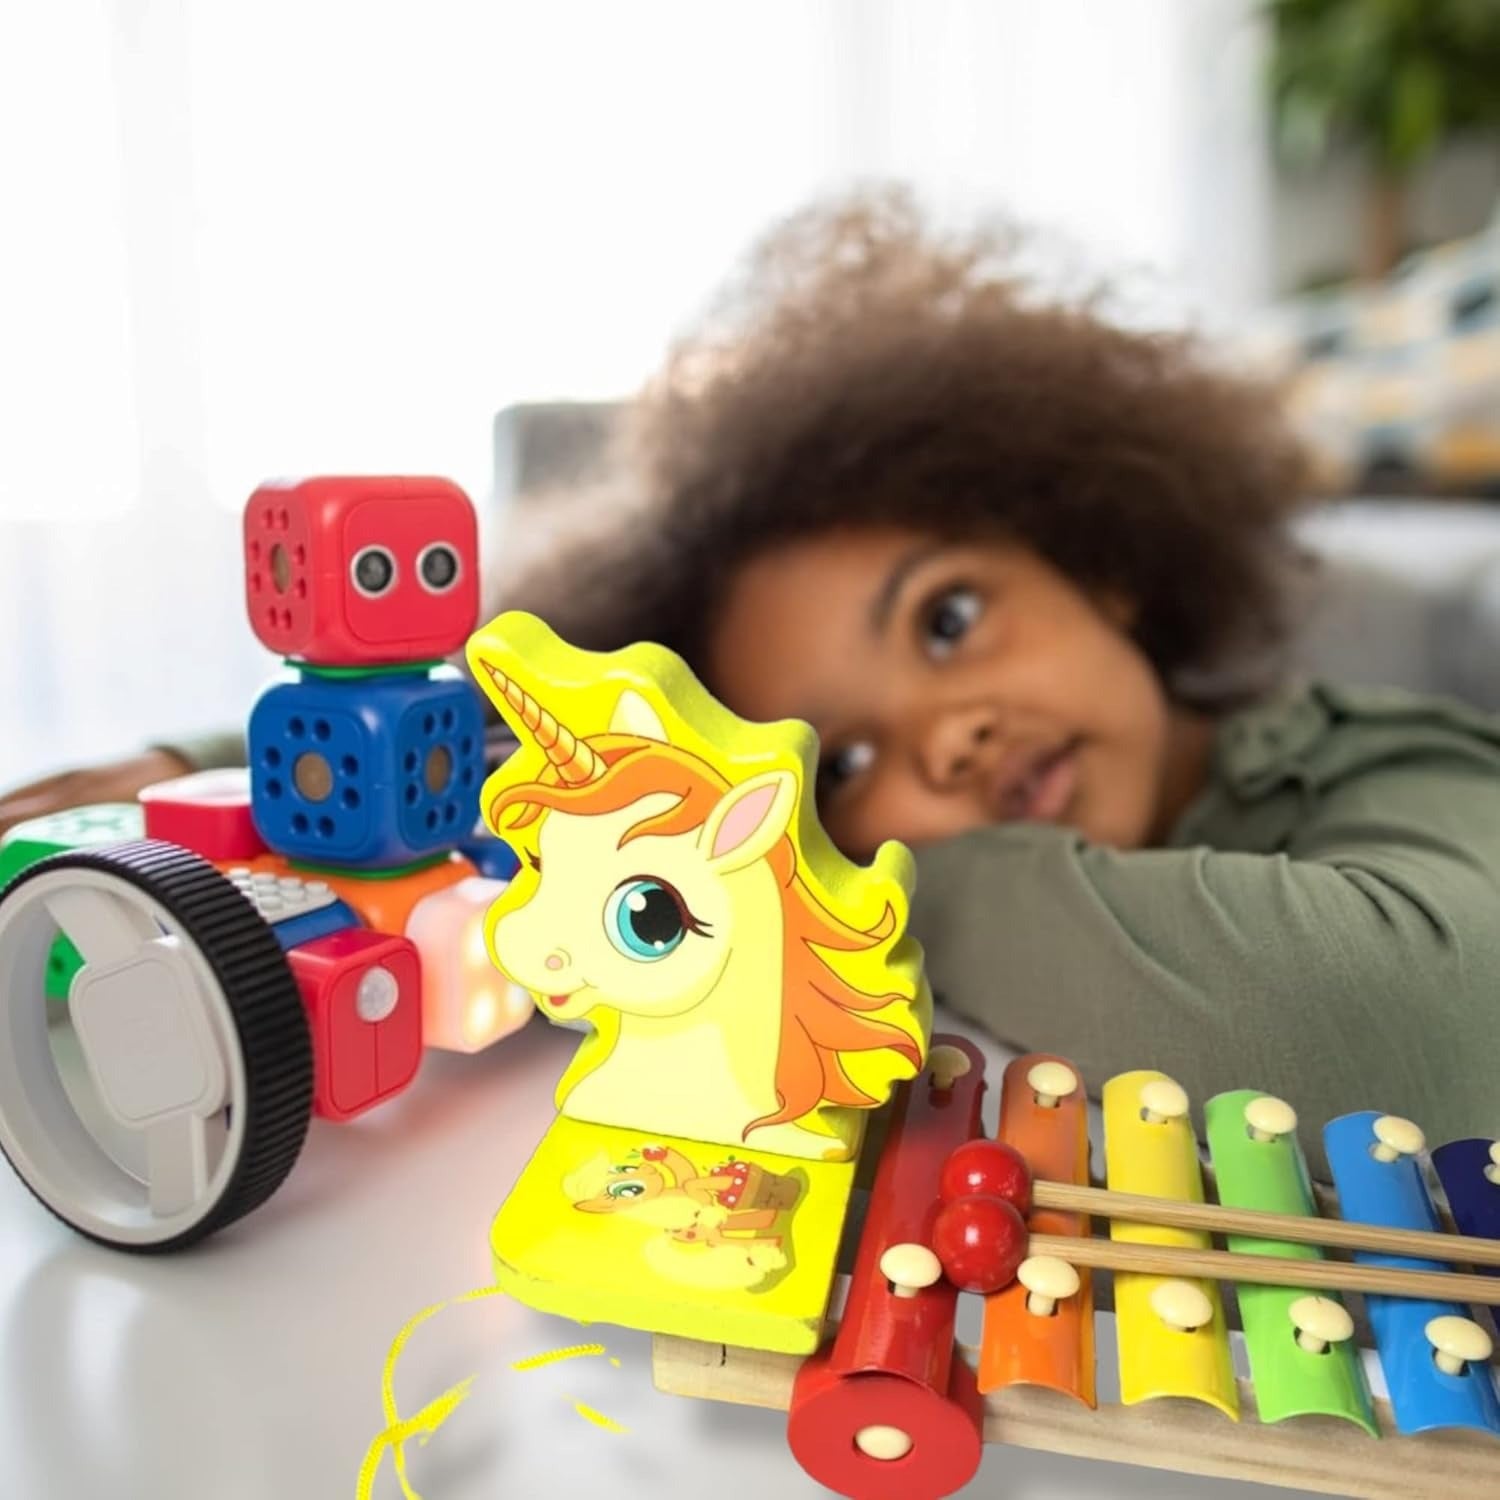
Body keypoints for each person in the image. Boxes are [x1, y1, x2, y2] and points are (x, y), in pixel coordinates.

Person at [6, 190, 1499, 1172]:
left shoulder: (1379, 763)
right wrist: (237, 767)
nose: (946, 738)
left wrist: (821, 846)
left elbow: (1428, 1020)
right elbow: (519, 764)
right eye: (838, 765)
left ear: (1096, 554)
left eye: (949, 616)